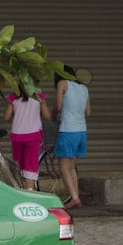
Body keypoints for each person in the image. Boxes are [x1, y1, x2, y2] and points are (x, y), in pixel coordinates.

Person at [53, 66, 91, 209]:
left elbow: (58, 106)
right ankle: (76, 197)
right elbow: (88, 112)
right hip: (81, 132)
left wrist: (53, 116)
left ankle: (74, 198)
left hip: (68, 130)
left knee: (63, 168)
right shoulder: (84, 89)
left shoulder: (62, 84)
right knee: (72, 167)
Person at [3, 87, 51, 190]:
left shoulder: (14, 98)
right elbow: (47, 116)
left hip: (17, 135)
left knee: (18, 164)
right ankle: (29, 191)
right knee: (30, 164)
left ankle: (19, 190)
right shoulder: (39, 97)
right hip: (33, 135)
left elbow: (6, 117)